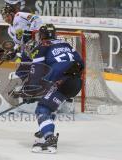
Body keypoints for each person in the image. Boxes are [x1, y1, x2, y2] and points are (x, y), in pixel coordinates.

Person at [14, 24, 84, 153]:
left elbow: (36, 73)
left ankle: (50, 139)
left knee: (42, 108)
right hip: (77, 83)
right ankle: (45, 128)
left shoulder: (42, 47)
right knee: (49, 105)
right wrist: (67, 76)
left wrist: (29, 91)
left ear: (41, 36)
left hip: (61, 83)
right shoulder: (66, 44)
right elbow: (81, 63)